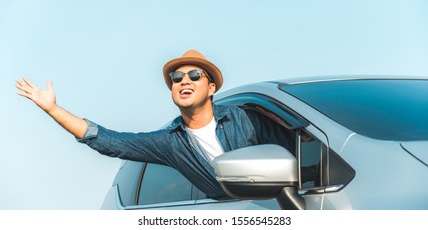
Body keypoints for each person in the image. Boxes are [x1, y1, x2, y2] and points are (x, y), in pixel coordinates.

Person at [16, 50, 294, 198]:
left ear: (211, 88)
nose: (184, 81)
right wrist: (52, 109)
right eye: (177, 77)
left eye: (195, 75)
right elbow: (109, 141)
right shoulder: (171, 143)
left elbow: (298, 151)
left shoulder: (245, 118)